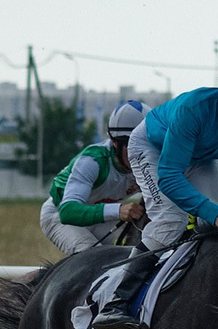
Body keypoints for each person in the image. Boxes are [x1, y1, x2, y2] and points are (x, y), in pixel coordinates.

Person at [89, 46, 218, 329]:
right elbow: (169, 177)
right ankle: (114, 302)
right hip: (153, 148)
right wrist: (214, 214)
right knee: (172, 220)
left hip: (200, 156)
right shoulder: (194, 109)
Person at [40, 101, 148, 256]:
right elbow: (67, 212)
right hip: (60, 215)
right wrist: (118, 210)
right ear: (115, 142)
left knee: (120, 257)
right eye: (132, 145)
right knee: (95, 258)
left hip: (101, 217)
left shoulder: (149, 162)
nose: (140, 153)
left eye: (146, 144)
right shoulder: (92, 161)